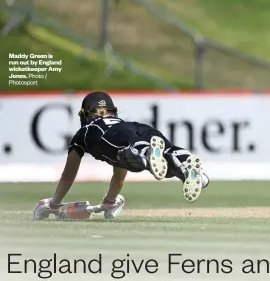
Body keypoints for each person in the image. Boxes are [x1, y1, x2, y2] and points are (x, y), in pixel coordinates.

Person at [33, 92, 209, 220]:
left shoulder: (85, 132)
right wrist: (109, 201)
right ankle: (185, 164)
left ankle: (144, 151)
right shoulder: (120, 122)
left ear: (86, 113)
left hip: (111, 136)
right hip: (139, 127)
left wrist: (54, 203)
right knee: (164, 158)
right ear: (112, 111)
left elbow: (68, 174)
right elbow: (118, 177)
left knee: (132, 156)